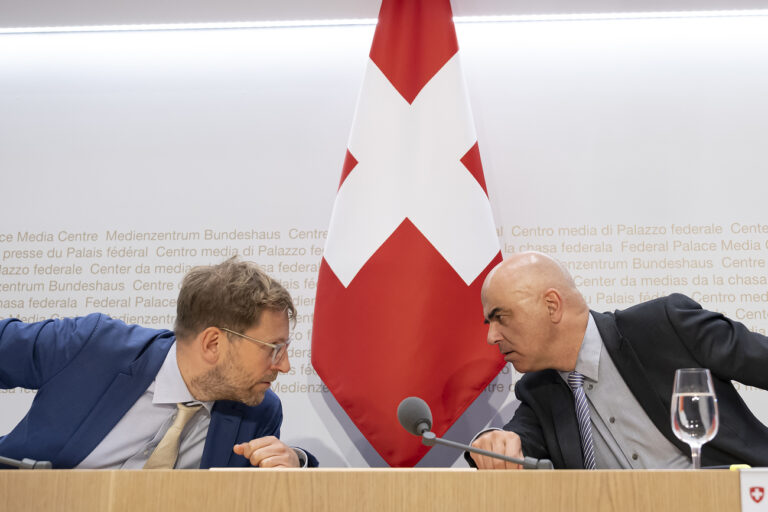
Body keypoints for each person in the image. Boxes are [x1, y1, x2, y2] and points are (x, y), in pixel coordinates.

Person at [0, 257, 318, 469]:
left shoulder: (257, 412)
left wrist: (296, 462)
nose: (285, 366)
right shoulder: (92, 346)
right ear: (213, 343)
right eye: (273, 349)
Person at [468, 251, 768, 469]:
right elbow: (516, 442)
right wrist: (492, 440)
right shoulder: (538, 392)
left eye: (500, 317)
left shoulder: (664, 327)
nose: (491, 337)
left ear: (552, 305)